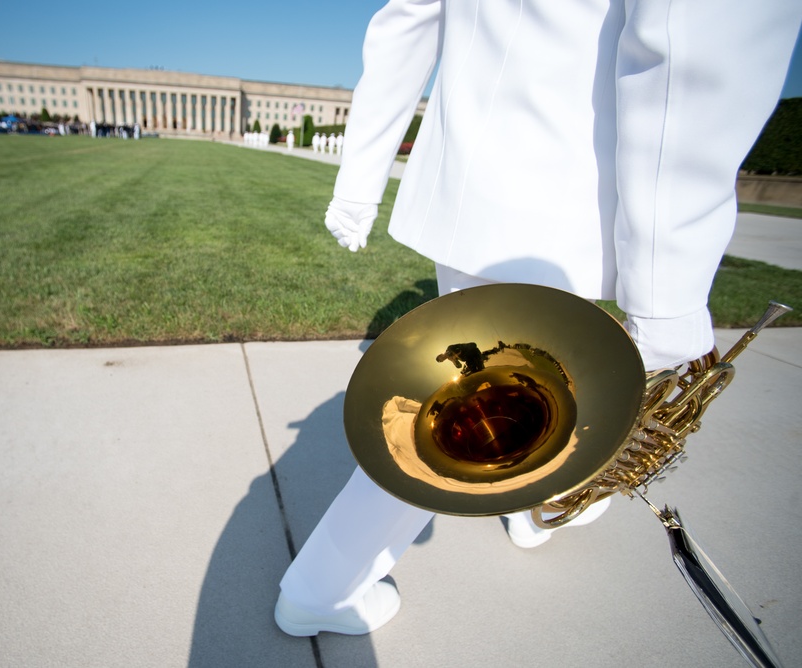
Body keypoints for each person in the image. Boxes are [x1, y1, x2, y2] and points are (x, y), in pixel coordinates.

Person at [274, 0, 802, 638]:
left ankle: (529, 510)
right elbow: (690, 63)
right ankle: (322, 587)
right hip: (569, 200)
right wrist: (668, 295)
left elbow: (406, 19)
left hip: (468, 188)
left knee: (500, 402)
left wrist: (360, 179)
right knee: (456, 422)